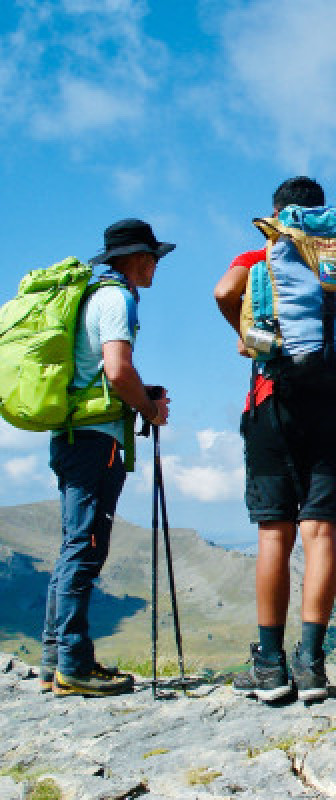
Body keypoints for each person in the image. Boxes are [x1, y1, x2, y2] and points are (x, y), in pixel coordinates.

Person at [214, 176, 336, 703]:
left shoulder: (263, 251)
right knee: (321, 533)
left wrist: (248, 335)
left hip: (273, 397)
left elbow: (223, 292)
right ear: (321, 213)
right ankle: (313, 667)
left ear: (279, 213)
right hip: (335, 401)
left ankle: (271, 667)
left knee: (274, 533)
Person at [42, 218, 174, 696]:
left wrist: (141, 394)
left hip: (74, 434)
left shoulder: (88, 297)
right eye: (154, 257)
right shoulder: (116, 298)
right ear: (136, 258)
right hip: (97, 440)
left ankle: (56, 658)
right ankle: (72, 666)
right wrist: (148, 408)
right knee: (86, 546)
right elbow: (118, 371)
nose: (157, 264)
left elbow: (101, 373)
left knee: (74, 542)